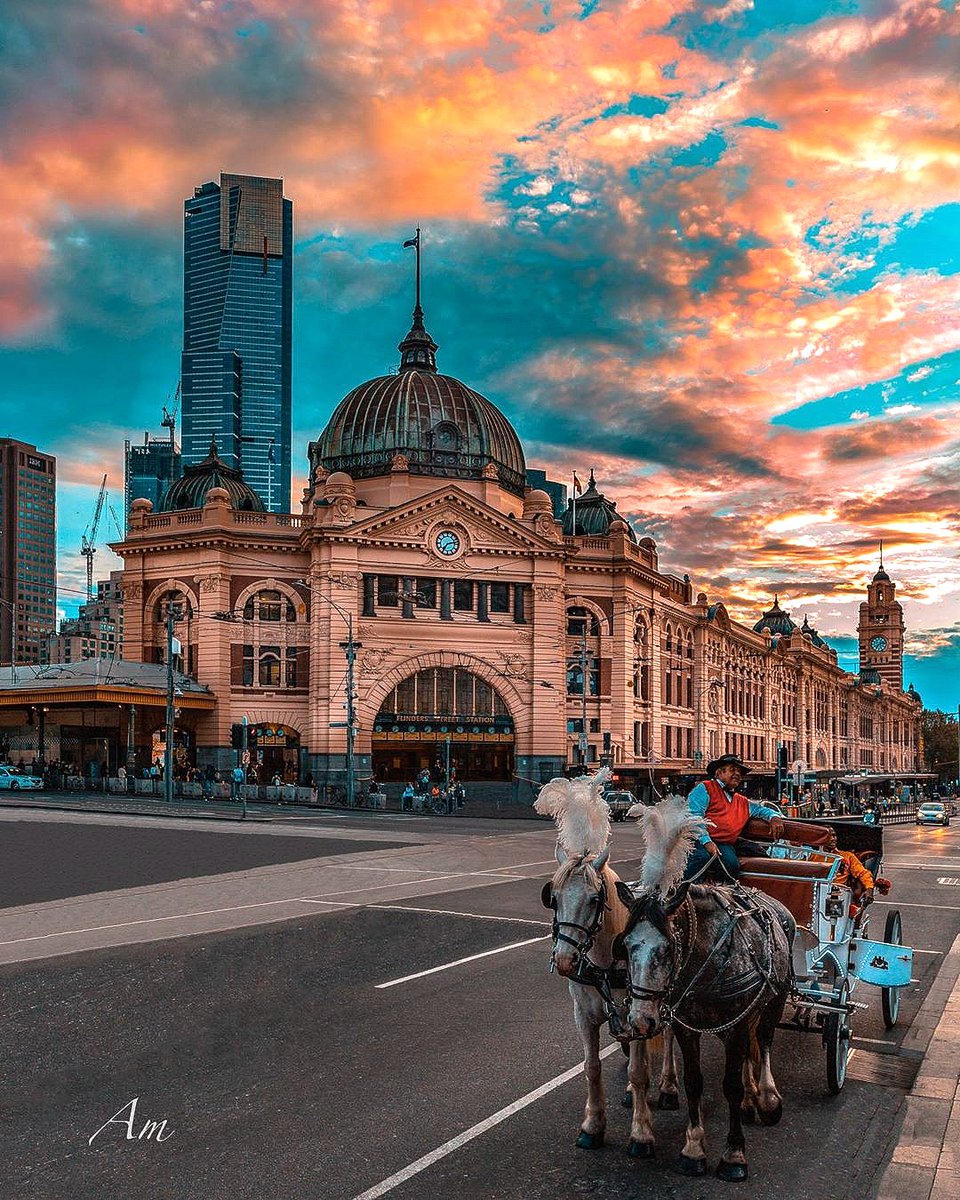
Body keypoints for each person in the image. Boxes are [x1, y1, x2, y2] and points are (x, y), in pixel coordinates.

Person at [684, 754, 785, 881]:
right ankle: (682, 892)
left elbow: (761, 810)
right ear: (719, 773)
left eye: (739, 771)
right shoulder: (704, 788)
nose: (737, 773)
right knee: (702, 857)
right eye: (732, 769)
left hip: (723, 843)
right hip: (698, 840)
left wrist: (774, 817)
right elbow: (694, 817)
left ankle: (723, 894)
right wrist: (707, 841)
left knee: (731, 865)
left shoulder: (741, 801)